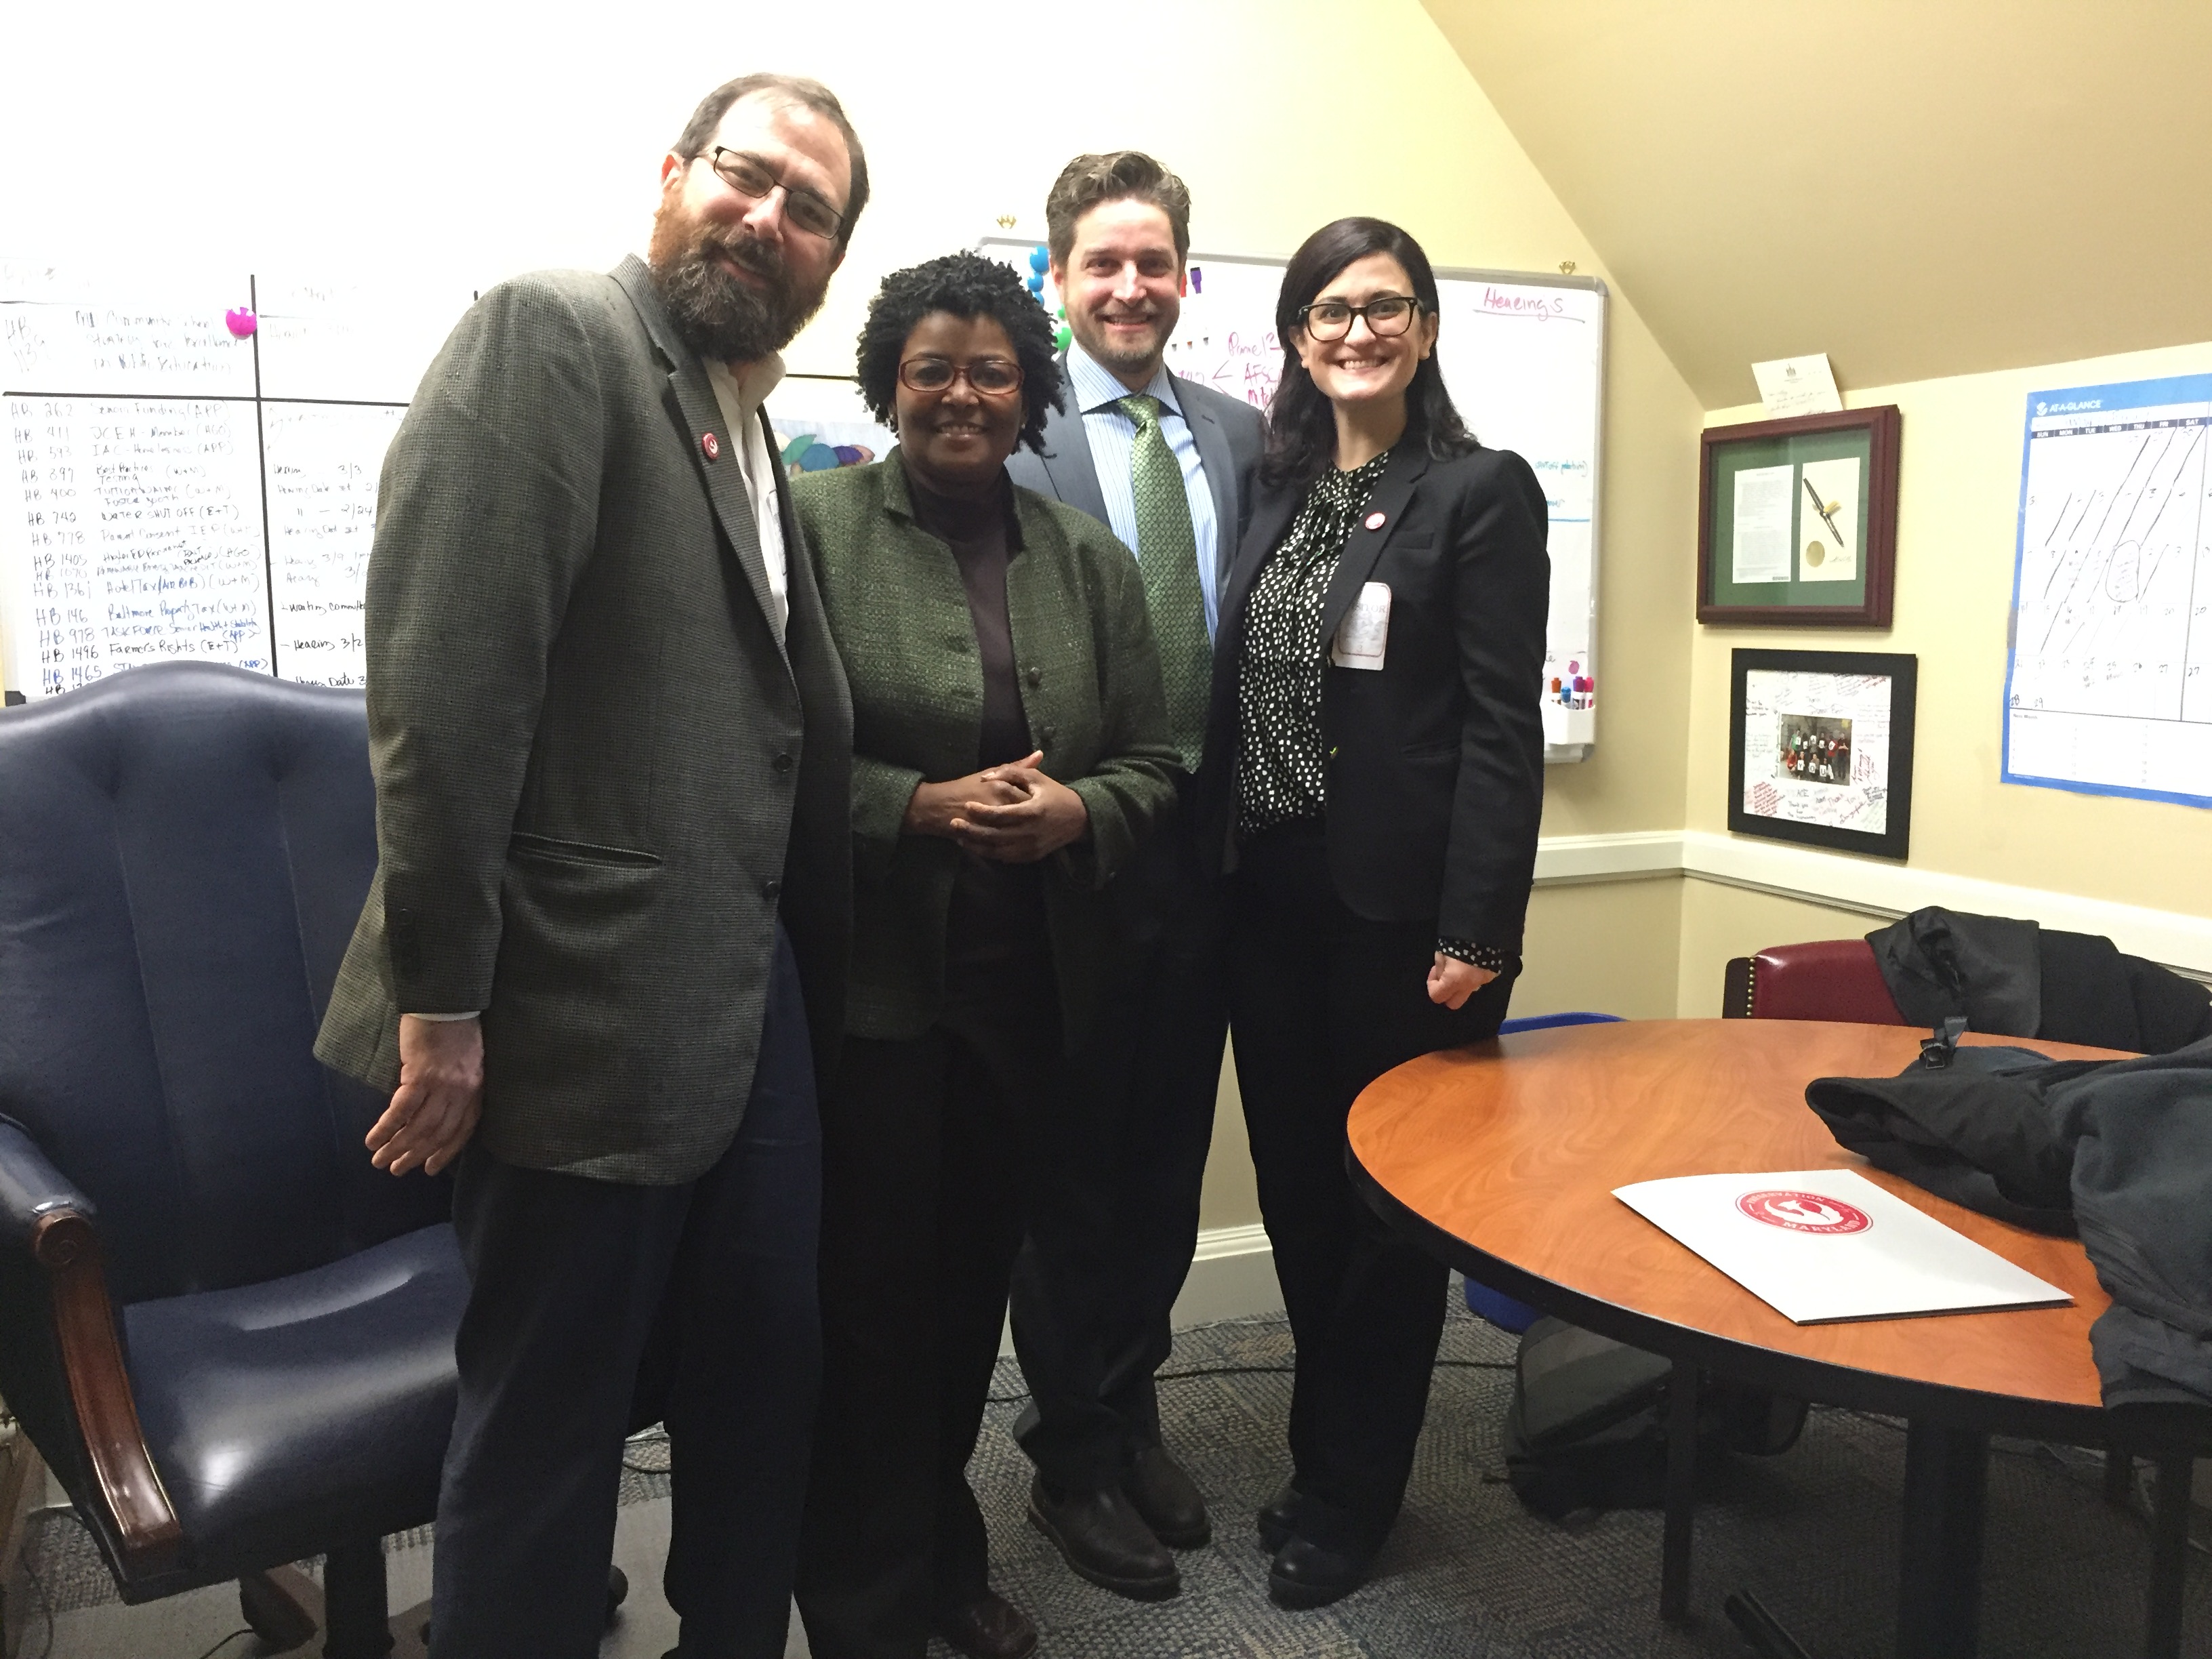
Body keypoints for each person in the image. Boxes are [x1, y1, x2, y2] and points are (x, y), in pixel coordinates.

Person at [312, 73, 864, 1659]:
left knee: (763, 1385)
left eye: (808, 208)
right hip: (569, 1011)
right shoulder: (554, 334)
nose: (767, 218)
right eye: (746, 178)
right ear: (674, 174)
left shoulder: (752, 423)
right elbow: (444, 693)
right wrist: (442, 1006)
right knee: (549, 1434)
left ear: (829, 259)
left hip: (742, 1012)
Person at [792, 251, 1181, 1659]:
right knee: (871, 1312)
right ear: (892, 386)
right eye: (933, 369)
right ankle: (862, 1600)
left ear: (1032, 393)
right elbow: (761, 754)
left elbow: (1158, 758)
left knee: (965, 1312)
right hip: (876, 1005)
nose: (962, 393)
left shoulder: (1087, 560)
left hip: (1034, 998)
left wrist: (1084, 806)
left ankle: (939, 1559)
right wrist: (913, 806)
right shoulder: (811, 527)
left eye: (992, 370)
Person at [1195, 216, 1549, 1607]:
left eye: (1387, 306)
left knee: (1387, 1217)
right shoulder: (1277, 497)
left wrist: (1479, 931)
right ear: (1296, 335)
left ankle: (1352, 1496)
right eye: (1331, 309)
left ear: (1427, 328)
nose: (1358, 330)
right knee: (1300, 1202)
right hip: (1268, 905)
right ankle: (1321, 1455)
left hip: (1406, 926)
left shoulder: (1476, 493)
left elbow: (1498, 733)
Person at [1000, 150, 1263, 1589]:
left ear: (1184, 278)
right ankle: (1072, 1457)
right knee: (1072, 1178)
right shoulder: (1008, 428)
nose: (1130, 286)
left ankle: (1134, 1403)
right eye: (1102, 263)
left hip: (1208, 873)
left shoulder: (1236, 434)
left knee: (1165, 1168)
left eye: (1154, 262)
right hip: (1063, 873)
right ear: (1057, 281)